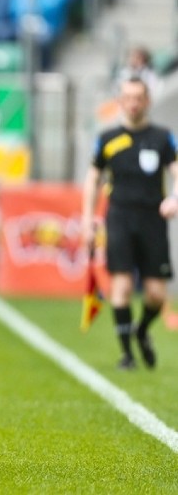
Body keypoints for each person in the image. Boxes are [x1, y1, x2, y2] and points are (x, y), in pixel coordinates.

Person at [81, 78, 178, 370]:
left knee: (156, 294)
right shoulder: (108, 137)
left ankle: (142, 330)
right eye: (128, 97)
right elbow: (92, 179)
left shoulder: (162, 137)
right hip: (119, 217)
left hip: (153, 220)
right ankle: (127, 355)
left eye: (139, 97)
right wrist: (87, 221)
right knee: (121, 287)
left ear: (147, 101)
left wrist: (174, 198)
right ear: (120, 101)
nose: (133, 103)